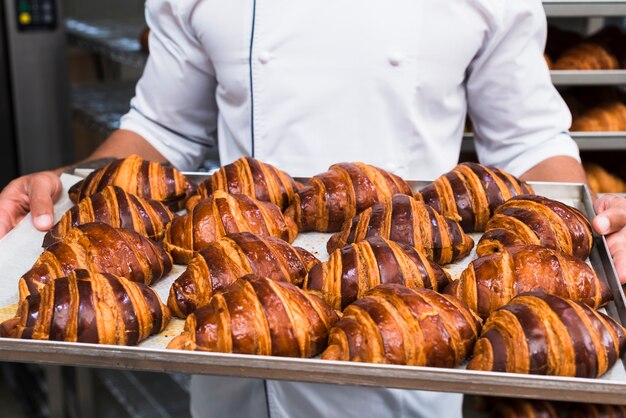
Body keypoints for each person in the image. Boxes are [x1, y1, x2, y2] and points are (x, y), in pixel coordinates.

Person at [1, 0, 625, 416]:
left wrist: (590, 230)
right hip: (230, 339)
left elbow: (528, 140)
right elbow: (163, 127)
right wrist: (67, 182)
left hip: (415, 348)